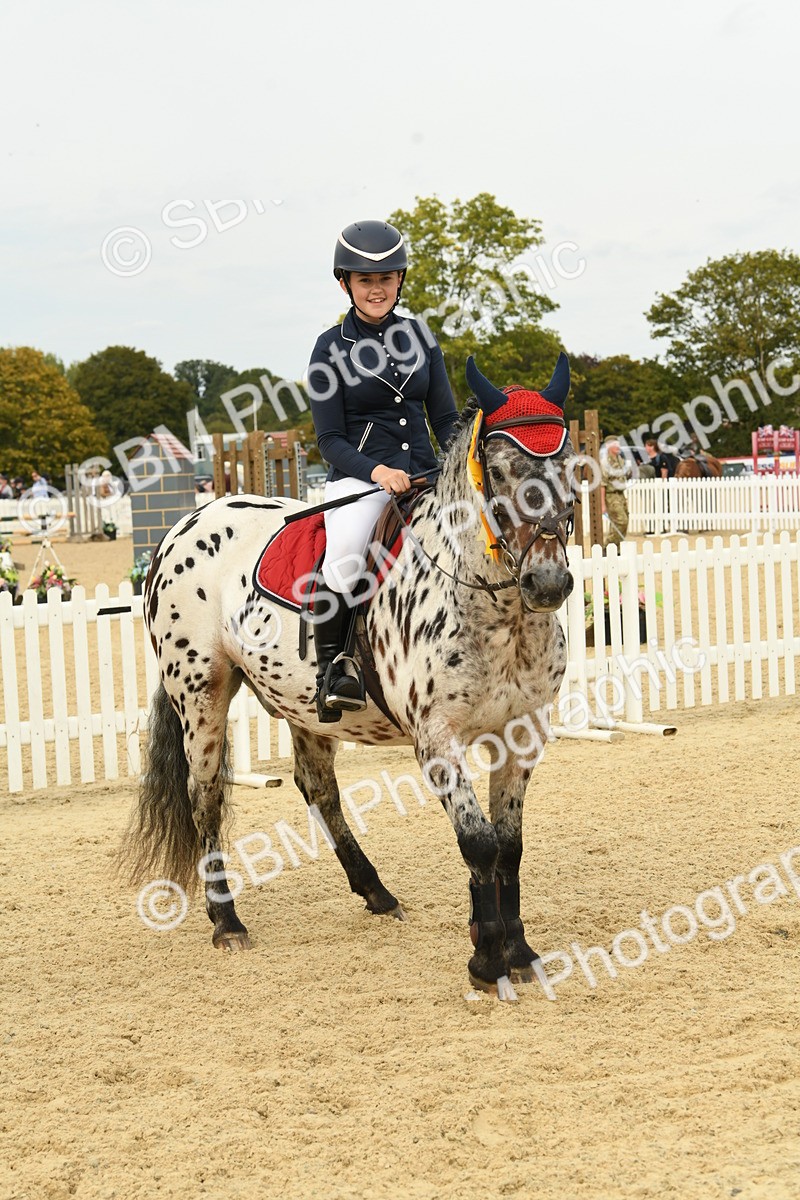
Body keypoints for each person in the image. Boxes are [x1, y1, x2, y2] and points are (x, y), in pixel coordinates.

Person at [306, 219, 459, 722]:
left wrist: (459, 464)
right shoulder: (330, 348)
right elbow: (329, 441)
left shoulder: (421, 338)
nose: (377, 289)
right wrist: (377, 473)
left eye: (386, 278)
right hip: (360, 480)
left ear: (400, 280)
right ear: (345, 284)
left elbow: (444, 420)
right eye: (365, 280)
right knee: (346, 558)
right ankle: (333, 671)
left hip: (426, 475)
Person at [600, 437, 631, 550]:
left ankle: (615, 548)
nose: (618, 447)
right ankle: (607, 546)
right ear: (608, 446)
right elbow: (602, 484)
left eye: (618, 444)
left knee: (623, 521)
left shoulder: (620, 460)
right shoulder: (605, 462)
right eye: (615, 444)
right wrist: (603, 504)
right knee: (621, 521)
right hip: (611, 495)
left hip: (621, 494)